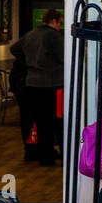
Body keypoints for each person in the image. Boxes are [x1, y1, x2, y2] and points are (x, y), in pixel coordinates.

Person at [10, 10, 63, 168]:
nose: (59, 26)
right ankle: (62, 153)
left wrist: (28, 62)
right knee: (57, 121)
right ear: (53, 21)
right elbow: (64, 56)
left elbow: (14, 49)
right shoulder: (53, 36)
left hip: (32, 83)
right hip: (52, 83)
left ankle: (45, 156)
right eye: (59, 22)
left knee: (41, 122)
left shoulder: (31, 34)